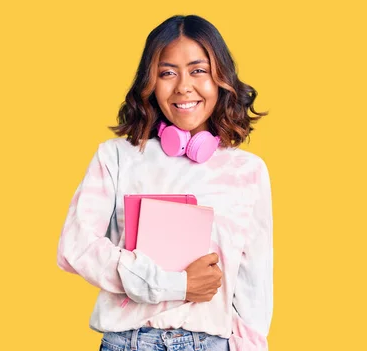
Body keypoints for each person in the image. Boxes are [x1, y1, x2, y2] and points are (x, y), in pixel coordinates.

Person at [56, 14, 273, 351]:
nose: (183, 86)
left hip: (213, 343)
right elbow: (76, 247)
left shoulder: (248, 171)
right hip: (128, 341)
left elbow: (254, 286)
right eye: (167, 72)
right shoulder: (117, 156)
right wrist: (175, 285)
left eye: (198, 70)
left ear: (221, 79)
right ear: (150, 83)